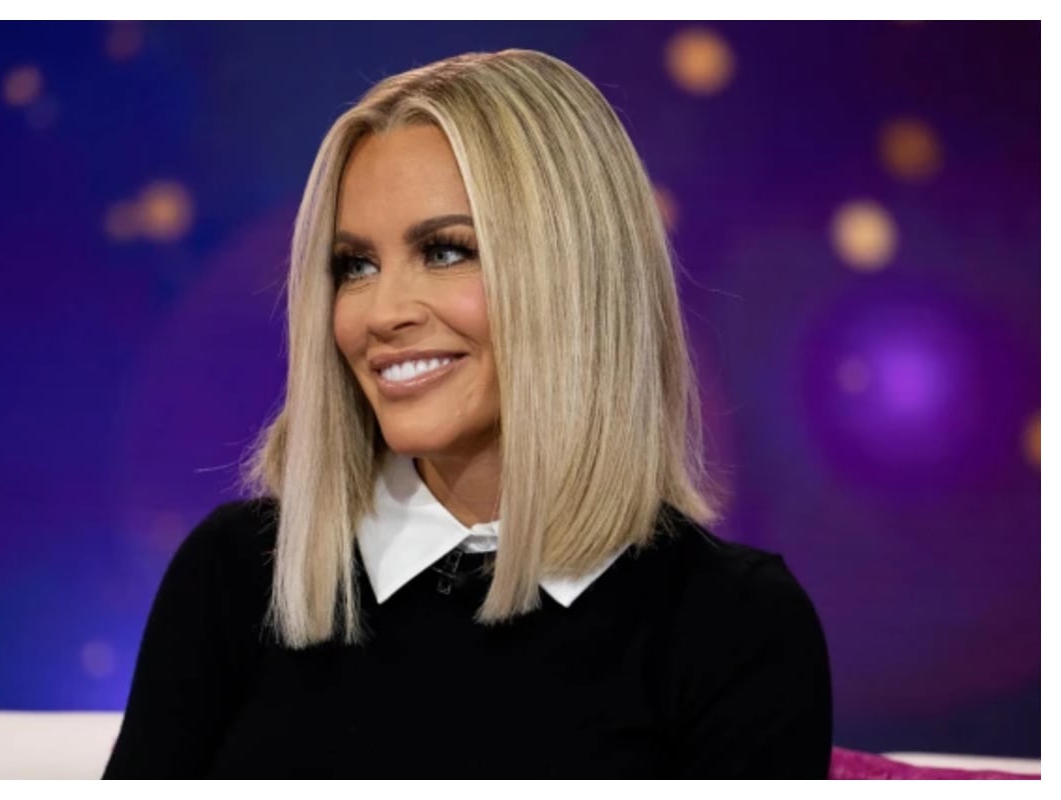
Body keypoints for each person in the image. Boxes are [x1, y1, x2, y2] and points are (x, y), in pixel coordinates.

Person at [103, 49, 831, 779]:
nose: (381, 314)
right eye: (355, 266)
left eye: (446, 252)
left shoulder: (733, 625)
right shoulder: (239, 573)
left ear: (574, 274)